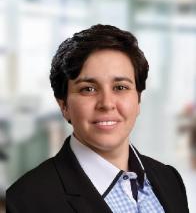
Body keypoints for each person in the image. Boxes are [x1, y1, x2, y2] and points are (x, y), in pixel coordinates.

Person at [6, 24, 189, 213]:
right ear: (64, 105)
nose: (107, 103)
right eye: (88, 89)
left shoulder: (169, 179)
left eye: (120, 87)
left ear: (138, 99)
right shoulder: (26, 201)